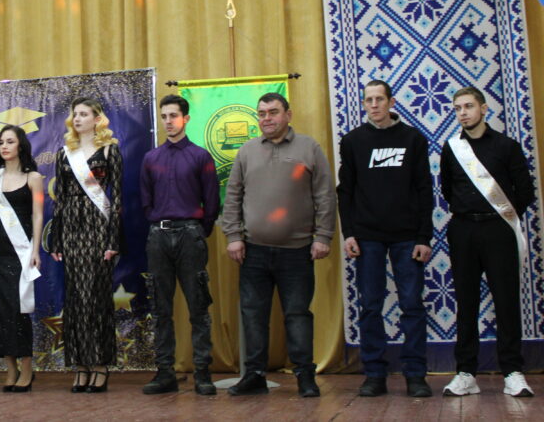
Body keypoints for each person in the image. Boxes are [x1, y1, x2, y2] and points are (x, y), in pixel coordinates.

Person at [222, 93, 335, 397]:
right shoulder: (246, 151)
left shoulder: (309, 148)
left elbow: (325, 195)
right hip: (252, 251)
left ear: (288, 114)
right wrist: (233, 236)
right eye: (261, 113)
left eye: (273, 112)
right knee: (253, 315)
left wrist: (323, 236)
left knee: (297, 315)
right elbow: (232, 196)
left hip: (297, 252)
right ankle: (255, 376)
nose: (267, 118)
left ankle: (305, 376)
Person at [337, 80, 433, 397]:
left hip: (408, 237)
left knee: (411, 305)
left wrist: (424, 237)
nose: (374, 105)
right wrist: (349, 233)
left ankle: (415, 375)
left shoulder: (413, 139)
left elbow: (424, 189)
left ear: (391, 102)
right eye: (369, 100)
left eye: (380, 99)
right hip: (367, 237)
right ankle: (374, 374)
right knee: (370, 306)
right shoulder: (353, 141)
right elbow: (345, 191)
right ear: (364, 104)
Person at [439, 87, 535, 398]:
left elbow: (525, 192)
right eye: (457, 108)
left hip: (498, 231)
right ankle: (466, 373)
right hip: (463, 230)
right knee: (466, 303)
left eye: (468, 106)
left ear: (483, 108)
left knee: (506, 301)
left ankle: (512, 372)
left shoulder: (507, 146)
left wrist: (501, 218)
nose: (463, 113)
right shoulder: (452, 148)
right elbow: (447, 189)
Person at [139, 95, 219, 396]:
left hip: (190, 235)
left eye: (173, 115)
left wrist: (197, 230)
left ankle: (203, 373)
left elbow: (211, 202)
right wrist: (159, 223)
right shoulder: (151, 158)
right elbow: (145, 201)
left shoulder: (200, 156)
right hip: (158, 236)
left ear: (185, 118)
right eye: (164, 116)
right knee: (161, 309)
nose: (168, 121)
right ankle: (165, 373)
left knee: (198, 307)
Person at [51, 97, 123, 394]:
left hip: (98, 227)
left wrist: (113, 239)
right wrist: (56, 237)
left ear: (97, 119)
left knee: (96, 298)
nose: (78, 118)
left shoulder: (109, 150)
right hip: (71, 228)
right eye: (75, 114)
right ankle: (80, 364)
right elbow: (60, 198)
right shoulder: (64, 153)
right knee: (76, 300)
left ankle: (101, 365)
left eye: (84, 114)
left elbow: (117, 198)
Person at [0, 126, 44, 393]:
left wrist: (36, 250)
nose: (4, 146)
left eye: (10, 141)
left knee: (19, 309)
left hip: (21, 250)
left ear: (21, 146)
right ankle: (10, 368)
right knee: (0, 309)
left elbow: (38, 214)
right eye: (0, 143)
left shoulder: (34, 178)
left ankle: (27, 367)